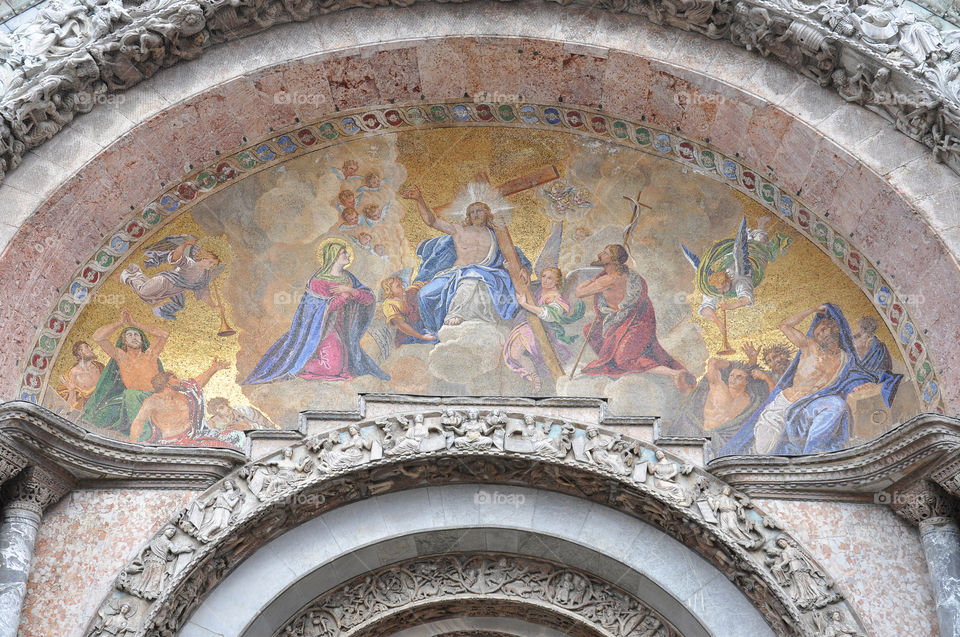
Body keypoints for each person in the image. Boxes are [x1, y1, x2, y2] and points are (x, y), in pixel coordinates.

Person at [720, 304, 901, 456]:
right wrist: (812, 309)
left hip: (809, 407)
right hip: (785, 405)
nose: (821, 335)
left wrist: (862, 384)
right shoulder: (810, 347)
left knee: (836, 405)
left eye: (824, 330)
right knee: (763, 451)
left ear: (835, 329)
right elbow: (785, 326)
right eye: (818, 333)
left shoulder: (846, 359)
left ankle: (812, 454)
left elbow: (852, 379)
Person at [243, 240, 389, 384]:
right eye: (343, 253)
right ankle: (297, 364)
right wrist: (344, 297)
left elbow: (368, 299)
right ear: (333, 256)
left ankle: (302, 360)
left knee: (350, 366)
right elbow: (319, 310)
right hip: (322, 329)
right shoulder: (317, 282)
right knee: (332, 368)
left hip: (344, 329)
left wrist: (351, 290)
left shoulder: (348, 278)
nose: (348, 255)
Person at [401, 185, 531, 330]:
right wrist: (419, 199)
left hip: (482, 272)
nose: (475, 215)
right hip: (455, 272)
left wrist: (524, 267)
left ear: (487, 213)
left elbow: (514, 253)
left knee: (469, 279)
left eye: (479, 211)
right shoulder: (458, 230)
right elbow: (432, 221)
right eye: (472, 212)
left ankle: (455, 314)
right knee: (424, 295)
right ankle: (433, 331)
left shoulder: (496, 235)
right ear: (468, 216)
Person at [575, 244, 694, 391]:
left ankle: (674, 374)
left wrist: (593, 279)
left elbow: (579, 292)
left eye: (604, 253)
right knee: (590, 330)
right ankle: (614, 364)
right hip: (625, 322)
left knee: (623, 360)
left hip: (633, 325)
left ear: (612, 260)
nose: (600, 255)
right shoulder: (626, 274)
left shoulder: (607, 280)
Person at [82, 308, 168, 436]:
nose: (133, 337)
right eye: (129, 335)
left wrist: (134, 324)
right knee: (99, 418)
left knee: (131, 394)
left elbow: (164, 334)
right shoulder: (121, 357)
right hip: (129, 400)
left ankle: (142, 436)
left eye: (137, 335)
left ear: (142, 339)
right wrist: (120, 323)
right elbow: (97, 337)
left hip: (152, 396)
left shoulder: (150, 354)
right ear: (123, 340)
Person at [503, 266, 584, 391]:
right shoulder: (542, 289)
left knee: (517, 352)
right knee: (514, 354)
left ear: (556, 281)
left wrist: (524, 304)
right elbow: (526, 287)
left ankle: (536, 379)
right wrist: (511, 269)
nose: (545, 280)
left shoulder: (555, 297)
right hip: (527, 325)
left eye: (550, 278)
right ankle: (534, 376)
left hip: (541, 330)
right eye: (544, 276)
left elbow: (548, 314)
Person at [128, 358, 235, 446]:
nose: (179, 381)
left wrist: (214, 368)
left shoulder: (186, 394)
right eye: (175, 378)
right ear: (166, 383)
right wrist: (133, 445)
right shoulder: (153, 401)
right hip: (171, 442)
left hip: (194, 437)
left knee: (235, 438)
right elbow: (139, 421)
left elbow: (197, 383)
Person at [120, 236, 222, 321]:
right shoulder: (190, 264)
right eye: (211, 262)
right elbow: (176, 258)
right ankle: (130, 275)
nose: (212, 266)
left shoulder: (204, 276)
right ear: (203, 258)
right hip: (164, 282)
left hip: (174, 290)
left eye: (214, 264)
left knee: (159, 301)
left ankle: (161, 311)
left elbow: (204, 293)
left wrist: (213, 306)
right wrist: (184, 244)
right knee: (143, 292)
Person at [380, 276, 437, 346]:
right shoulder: (389, 305)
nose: (403, 287)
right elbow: (402, 325)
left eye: (402, 284)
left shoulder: (409, 292)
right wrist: (422, 336)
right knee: (437, 338)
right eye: (398, 286)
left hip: (424, 324)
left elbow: (421, 285)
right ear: (389, 290)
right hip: (410, 334)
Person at [56, 340, 104, 410]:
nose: (91, 349)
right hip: (88, 410)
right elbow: (70, 407)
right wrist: (72, 391)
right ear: (79, 352)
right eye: (87, 347)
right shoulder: (74, 373)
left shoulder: (100, 367)